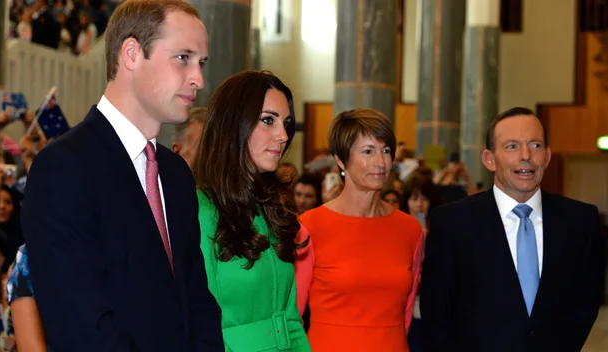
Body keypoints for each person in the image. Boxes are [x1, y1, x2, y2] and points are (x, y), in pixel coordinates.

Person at [21, 1, 223, 351]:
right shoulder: (63, 167)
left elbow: (197, 302)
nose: (198, 79)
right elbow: (80, 323)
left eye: (200, 62)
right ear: (131, 53)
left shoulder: (175, 174)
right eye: (183, 58)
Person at [420, 107, 605, 352]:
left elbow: (586, 303)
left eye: (535, 145)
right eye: (512, 146)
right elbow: (436, 313)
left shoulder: (580, 221)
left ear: (547, 156)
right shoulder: (453, 222)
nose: (526, 155)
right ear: (489, 159)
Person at [192, 70, 311, 351]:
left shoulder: (270, 211)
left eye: (286, 123)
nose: (283, 135)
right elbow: (199, 323)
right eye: (268, 120)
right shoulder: (200, 210)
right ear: (234, 124)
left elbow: (291, 320)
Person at [295, 108, 423, 352]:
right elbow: (294, 315)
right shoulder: (310, 226)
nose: (380, 162)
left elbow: (406, 314)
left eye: (386, 151)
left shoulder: (410, 229)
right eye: (368, 151)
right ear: (341, 159)